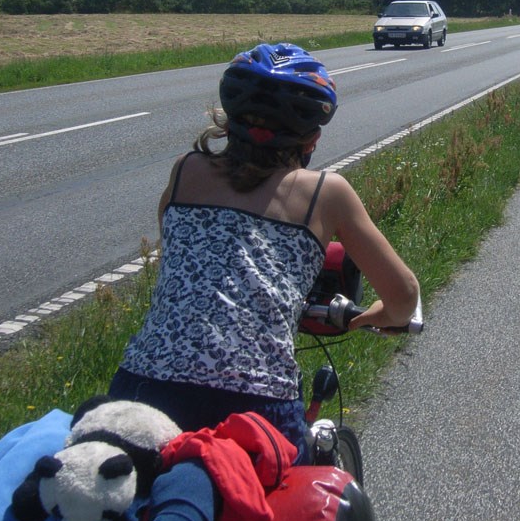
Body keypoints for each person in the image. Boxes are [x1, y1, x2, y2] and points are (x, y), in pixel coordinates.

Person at [108, 43, 420, 463]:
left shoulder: (186, 170)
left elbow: (188, 265)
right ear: (313, 137)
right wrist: (370, 319)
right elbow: (404, 297)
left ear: (227, 119)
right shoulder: (326, 193)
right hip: (255, 407)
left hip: (141, 392)